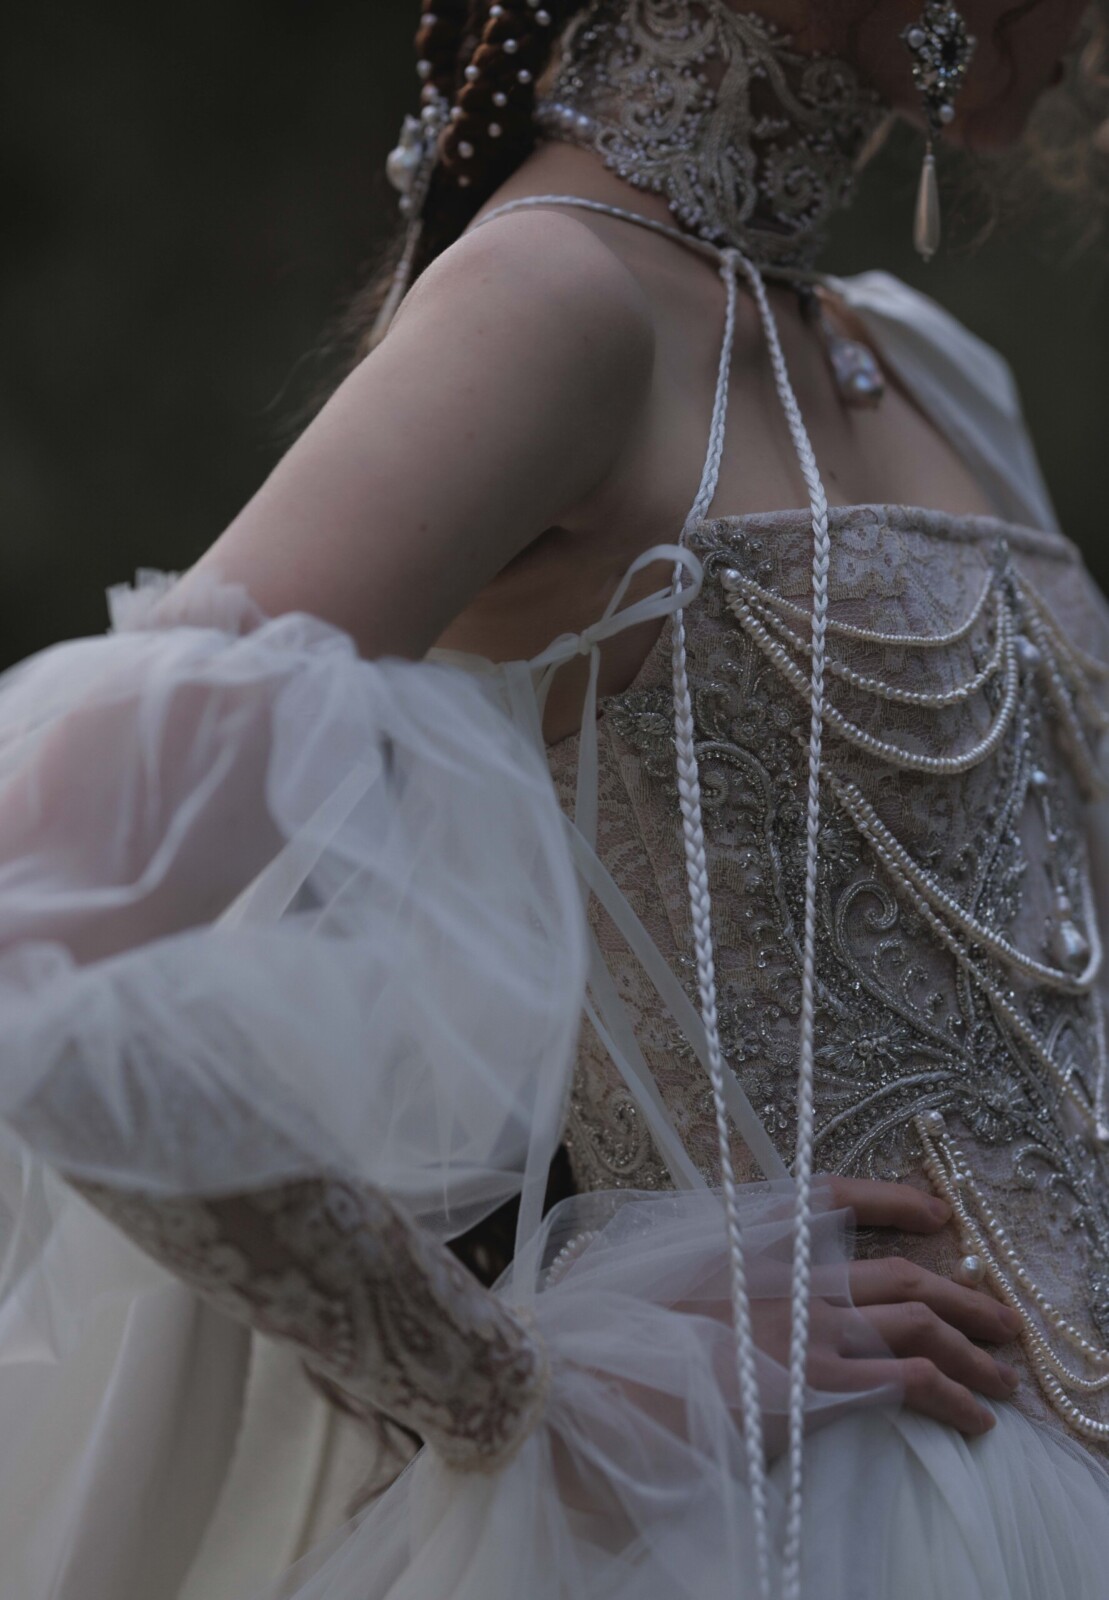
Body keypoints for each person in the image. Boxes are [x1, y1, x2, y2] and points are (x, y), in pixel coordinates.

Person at [0, 1, 1107, 1596]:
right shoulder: (556, 306)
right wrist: (522, 1383)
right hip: (823, 1520)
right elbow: (43, 929)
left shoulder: (918, 362)